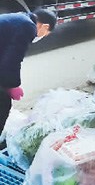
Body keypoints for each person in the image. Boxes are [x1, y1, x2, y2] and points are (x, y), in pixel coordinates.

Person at [0, 9, 57, 139]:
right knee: (3, 102)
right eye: (46, 34)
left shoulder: (20, 18)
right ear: (45, 26)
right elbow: (13, 59)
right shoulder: (28, 26)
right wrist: (12, 86)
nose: (42, 36)